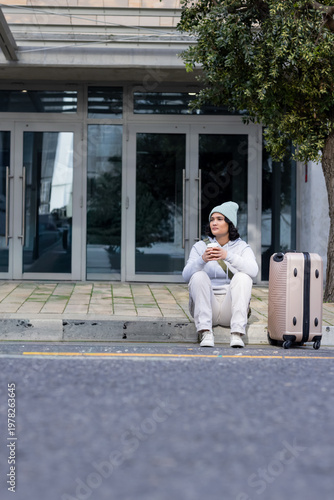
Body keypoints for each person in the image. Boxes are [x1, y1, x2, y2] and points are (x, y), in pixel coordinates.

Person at [182, 201, 258, 348]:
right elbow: (185, 275)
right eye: (212, 219)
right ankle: (206, 332)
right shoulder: (200, 246)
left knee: (243, 277)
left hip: (230, 308)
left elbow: (254, 271)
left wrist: (227, 255)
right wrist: (202, 260)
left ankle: (237, 334)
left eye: (219, 219)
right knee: (197, 275)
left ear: (230, 223)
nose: (214, 223)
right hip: (206, 306)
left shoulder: (242, 247)